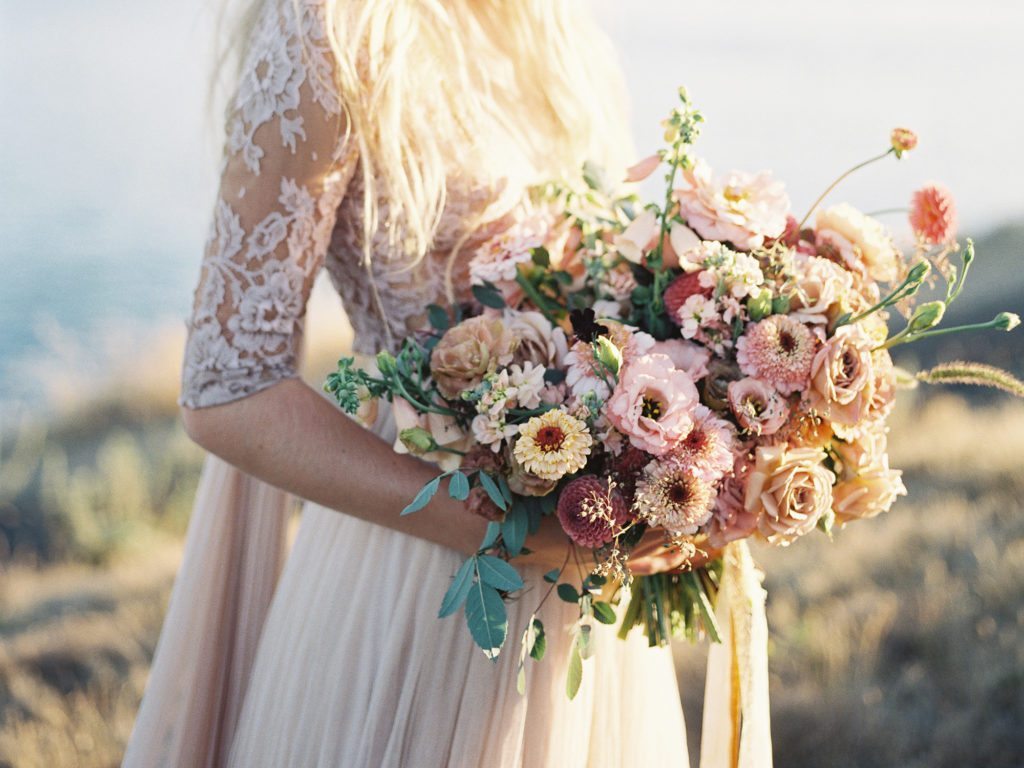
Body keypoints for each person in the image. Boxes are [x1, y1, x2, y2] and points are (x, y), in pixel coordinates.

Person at [123, 0, 697, 765]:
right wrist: (511, 535)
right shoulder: (329, 27)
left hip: (582, 566)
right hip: (416, 572)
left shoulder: (555, 28)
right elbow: (229, 389)